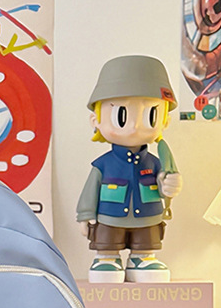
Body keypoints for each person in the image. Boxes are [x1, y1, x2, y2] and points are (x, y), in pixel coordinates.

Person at [76, 55, 184, 284]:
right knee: (107, 240)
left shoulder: (156, 163)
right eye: (122, 116)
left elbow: (164, 185)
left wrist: (170, 186)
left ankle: (142, 258)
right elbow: (90, 190)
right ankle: (107, 257)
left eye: (150, 114)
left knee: (146, 240)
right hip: (110, 218)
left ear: (164, 121)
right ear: (95, 120)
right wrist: (85, 215)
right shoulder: (102, 164)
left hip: (147, 218)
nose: (134, 126)